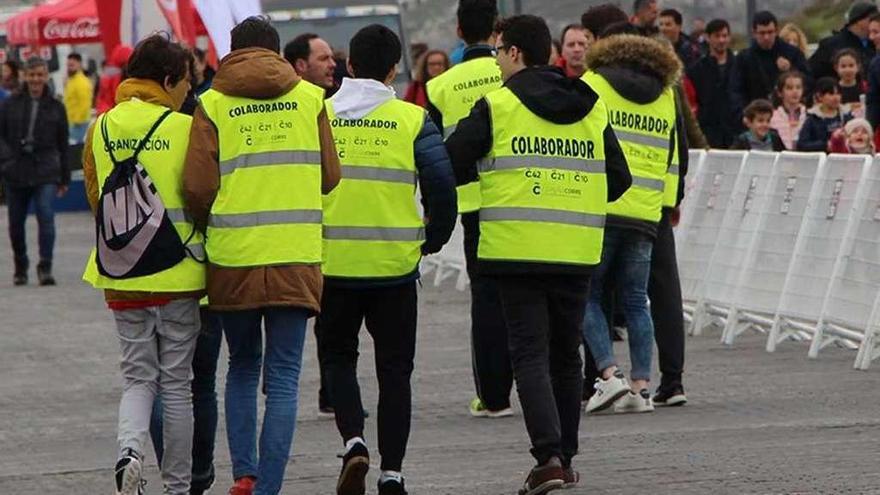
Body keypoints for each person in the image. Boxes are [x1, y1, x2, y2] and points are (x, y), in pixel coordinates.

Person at [446, 14, 631, 493]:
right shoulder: (590, 106)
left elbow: (451, 161)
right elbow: (620, 179)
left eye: (498, 51)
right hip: (576, 249)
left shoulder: (498, 105)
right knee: (565, 357)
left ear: (512, 53)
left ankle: (547, 457)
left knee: (528, 353)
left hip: (516, 249)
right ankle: (565, 459)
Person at [182, 16, 341, 495]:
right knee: (286, 376)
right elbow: (330, 176)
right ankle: (270, 486)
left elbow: (196, 186)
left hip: (234, 257)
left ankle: (244, 475)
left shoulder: (211, 103)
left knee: (242, 367)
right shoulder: (311, 99)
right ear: (275, 53)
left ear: (233, 51)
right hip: (294, 253)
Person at [321, 24, 457, 495]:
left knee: (337, 358)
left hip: (331, 264)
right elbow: (443, 188)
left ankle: (354, 440)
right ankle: (392, 472)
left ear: (349, 66)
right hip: (394, 269)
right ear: (395, 68)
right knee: (395, 372)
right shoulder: (412, 119)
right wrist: (430, 241)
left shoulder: (319, 115)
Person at [80, 34, 203, 495]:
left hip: (121, 273)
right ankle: (176, 486)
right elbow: (201, 194)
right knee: (175, 384)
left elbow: (97, 198)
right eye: (185, 83)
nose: (189, 93)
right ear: (168, 80)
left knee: (136, 378)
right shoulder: (185, 128)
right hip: (178, 273)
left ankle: (129, 452)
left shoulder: (101, 127)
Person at [581, 31, 682, 415]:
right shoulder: (666, 94)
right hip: (646, 211)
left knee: (589, 296)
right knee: (637, 301)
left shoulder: (594, 84)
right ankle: (642, 387)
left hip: (605, 205)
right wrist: (666, 202)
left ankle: (609, 375)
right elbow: (672, 155)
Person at [426, 0, 514, 419]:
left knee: (487, 302)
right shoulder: (512, 72)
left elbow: (438, 154)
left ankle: (493, 396)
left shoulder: (441, 85)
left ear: (459, 30)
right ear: (497, 28)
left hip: (473, 204)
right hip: (518, 198)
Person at [282, 31, 343, 420]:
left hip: (330, 234)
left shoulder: (333, 106)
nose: (332, 63)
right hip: (296, 234)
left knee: (330, 323)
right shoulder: (296, 109)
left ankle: (330, 390)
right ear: (299, 66)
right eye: (323, 59)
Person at [0, 57, 69, 286]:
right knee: (15, 223)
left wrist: (65, 177)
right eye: (32, 75)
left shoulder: (57, 106)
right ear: (24, 76)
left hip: (46, 170)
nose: (36, 79)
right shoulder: (10, 103)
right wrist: (7, 159)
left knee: (46, 216)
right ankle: (21, 265)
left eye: (40, 74)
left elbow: (63, 143)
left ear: (46, 76)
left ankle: (45, 266)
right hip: (15, 171)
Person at [730, 11, 811, 120]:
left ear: (776, 31)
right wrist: (743, 114)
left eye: (770, 32)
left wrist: (790, 70)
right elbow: (736, 90)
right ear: (754, 33)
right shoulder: (744, 58)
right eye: (762, 33)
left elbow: (809, 81)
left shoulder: (792, 53)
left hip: (789, 116)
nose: (767, 37)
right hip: (757, 117)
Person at [685, 18, 738, 148]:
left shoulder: (740, 66)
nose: (721, 40)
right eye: (717, 36)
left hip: (735, 133)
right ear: (708, 38)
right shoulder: (696, 70)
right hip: (708, 134)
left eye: (724, 36)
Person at [809, 1, 878, 81]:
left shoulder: (876, 43)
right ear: (860, 21)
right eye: (872, 19)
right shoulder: (830, 45)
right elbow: (810, 74)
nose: (876, 23)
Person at [797, 77, 853, 152]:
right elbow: (802, 144)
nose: (836, 97)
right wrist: (825, 145)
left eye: (838, 94)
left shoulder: (847, 115)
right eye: (831, 94)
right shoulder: (812, 119)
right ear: (820, 96)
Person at [770, 71, 808, 150]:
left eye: (798, 87)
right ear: (780, 93)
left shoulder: (809, 114)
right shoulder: (772, 116)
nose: (795, 91)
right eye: (789, 88)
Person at [63, 52, 94, 144]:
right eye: (68, 65)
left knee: (74, 149)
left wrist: (77, 121)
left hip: (78, 123)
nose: (69, 67)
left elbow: (85, 104)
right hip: (71, 121)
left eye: (72, 65)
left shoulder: (82, 82)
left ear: (79, 64)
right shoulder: (71, 80)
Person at [96, 44, 134, 115]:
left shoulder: (107, 76)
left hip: (108, 115)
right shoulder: (130, 77)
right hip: (122, 115)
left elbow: (102, 100)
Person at [833, 48, 867, 117]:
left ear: (858, 67)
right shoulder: (833, 89)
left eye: (851, 65)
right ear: (836, 68)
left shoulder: (865, 87)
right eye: (843, 66)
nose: (847, 70)